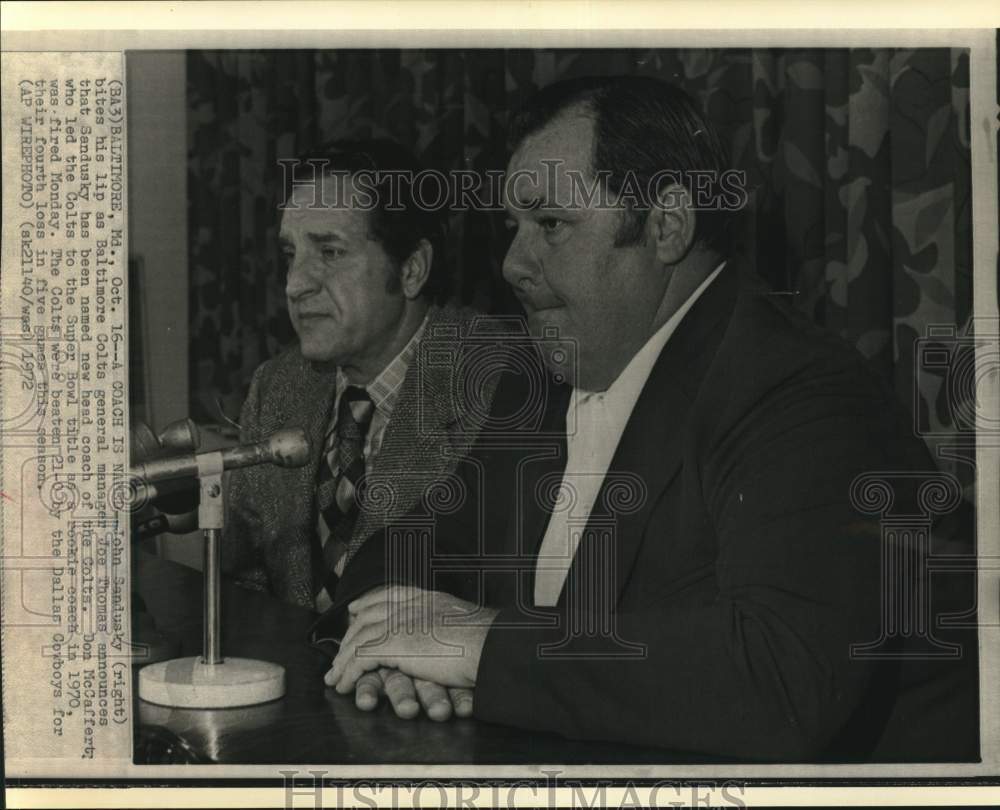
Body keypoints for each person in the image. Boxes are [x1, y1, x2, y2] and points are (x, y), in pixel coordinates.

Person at [317, 76, 979, 761]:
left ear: (667, 226)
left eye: (551, 224)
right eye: (514, 227)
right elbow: (410, 547)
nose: (513, 263)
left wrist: (477, 650)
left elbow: (780, 682)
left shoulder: (802, 391)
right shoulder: (545, 373)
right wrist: (392, 652)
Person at [223, 138, 497, 721]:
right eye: (290, 254)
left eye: (329, 252)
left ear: (412, 269)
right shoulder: (277, 387)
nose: (295, 284)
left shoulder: (502, 383)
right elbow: (247, 590)